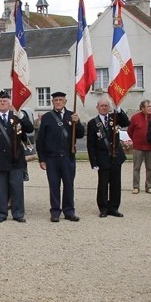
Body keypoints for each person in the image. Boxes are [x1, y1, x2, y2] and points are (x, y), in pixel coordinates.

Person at [0, 90, 34, 223]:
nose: (2, 103)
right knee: (1, 189)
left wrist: (21, 114)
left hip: (16, 160)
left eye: (5, 101)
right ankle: (1, 214)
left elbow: (29, 129)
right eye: (0, 101)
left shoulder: (17, 117)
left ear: (9, 103)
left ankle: (18, 214)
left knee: (17, 188)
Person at [36, 91, 84, 222]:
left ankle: (69, 211)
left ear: (65, 102)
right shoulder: (47, 117)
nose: (58, 102)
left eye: (60, 100)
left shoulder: (71, 115)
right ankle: (55, 211)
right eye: (56, 100)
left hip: (68, 157)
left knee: (69, 185)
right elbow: (40, 140)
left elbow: (80, 134)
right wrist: (42, 159)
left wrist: (77, 122)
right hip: (52, 158)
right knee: (54, 185)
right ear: (52, 102)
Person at [87, 96, 129, 218]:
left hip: (116, 157)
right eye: (102, 106)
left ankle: (114, 207)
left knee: (116, 184)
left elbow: (126, 123)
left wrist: (119, 109)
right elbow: (91, 144)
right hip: (102, 158)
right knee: (103, 184)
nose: (104, 108)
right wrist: (93, 162)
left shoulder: (114, 118)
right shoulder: (92, 123)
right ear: (97, 107)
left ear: (109, 107)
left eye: (106, 106)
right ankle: (103, 208)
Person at [126, 99, 151, 194]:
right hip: (138, 147)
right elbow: (129, 130)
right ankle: (136, 186)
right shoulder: (135, 118)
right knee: (136, 167)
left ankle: (149, 186)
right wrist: (135, 140)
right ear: (142, 108)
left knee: (149, 168)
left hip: (150, 147)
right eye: (148, 106)